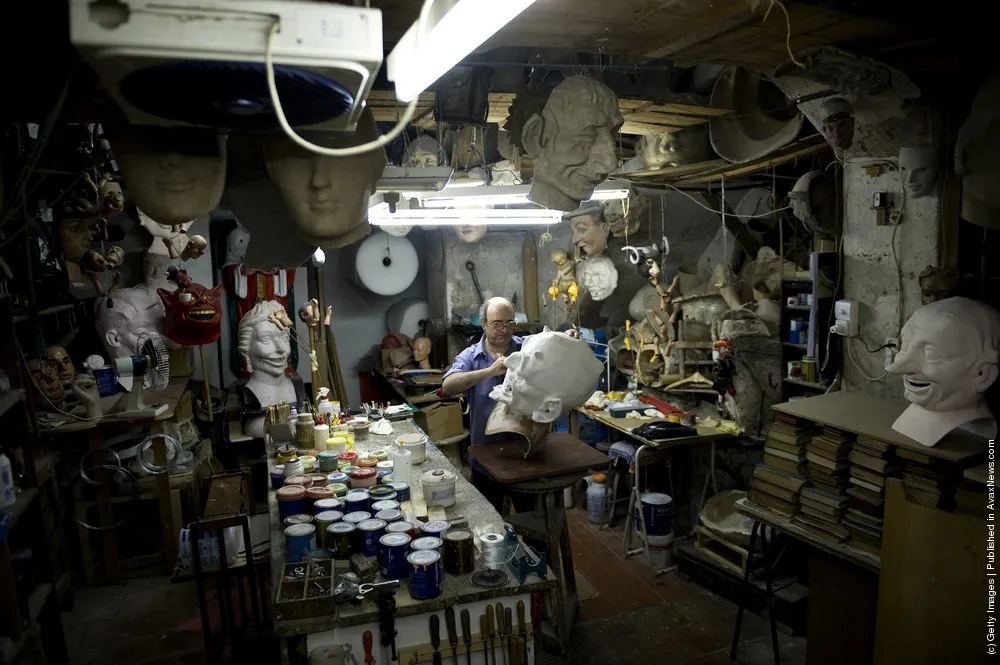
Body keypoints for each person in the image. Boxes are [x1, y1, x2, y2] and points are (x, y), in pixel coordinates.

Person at [442, 297, 533, 513]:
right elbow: (448, 385)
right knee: (490, 522)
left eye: (510, 323)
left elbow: (550, 347)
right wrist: (489, 371)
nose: (504, 329)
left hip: (525, 451)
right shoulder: (472, 356)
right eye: (497, 323)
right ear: (484, 324)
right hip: (486, 456)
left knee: (531, 518)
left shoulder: (526, 349)